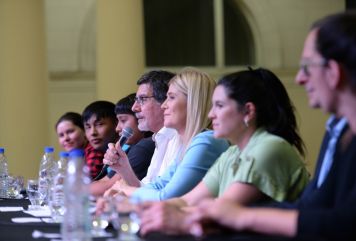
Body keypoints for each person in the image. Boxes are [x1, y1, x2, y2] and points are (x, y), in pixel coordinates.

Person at [189, 11, 356, 240]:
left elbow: (347, 224)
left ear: (333, 72)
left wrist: (242, 217)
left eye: (307, 67)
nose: (300, 78)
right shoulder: (341, 133)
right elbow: (314, 205)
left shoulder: (274, 145)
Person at [138, 68, 309, 235]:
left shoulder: (269, 147)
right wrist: (136, 207)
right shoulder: (232, 153)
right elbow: (187, 200)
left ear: (248, 111)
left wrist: (165, 213)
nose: (211, 114)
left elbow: (222, 210)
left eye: (219, 106)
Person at [103, 67, 229, 201]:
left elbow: (166, 197)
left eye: (171, 97)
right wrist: (124, 170)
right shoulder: (185, 143)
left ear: (192, 102)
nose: (164, 105)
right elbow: (155, 188)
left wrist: (125, 189)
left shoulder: (206, 141)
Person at [90, 93, 155, 196]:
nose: (117, 128)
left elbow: (107, 187)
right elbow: (104, 181)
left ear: (140, 118)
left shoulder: (143, 148)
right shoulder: (129, 147)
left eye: (123, 120)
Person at [82, 100, 118, 180]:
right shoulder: (95, 152)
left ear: (116, 123)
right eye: (88, 127)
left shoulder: (126, 151)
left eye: (99, 124)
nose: (92, 133)